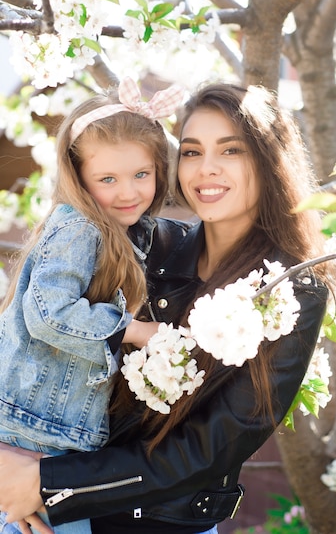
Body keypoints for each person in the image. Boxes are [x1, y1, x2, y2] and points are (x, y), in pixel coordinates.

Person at [0, 82, 330, 534]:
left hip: (158, 522)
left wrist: (48, 484)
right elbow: (30, 338)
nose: (206, 170)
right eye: (192, 152)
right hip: (54, 506)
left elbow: (211, 448)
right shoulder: (142, 241)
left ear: (268, 162)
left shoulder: (292, 292)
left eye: (230, 150)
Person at [0, 77, 184, 534]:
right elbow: (50, 315)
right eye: (108, 179)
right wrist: (135, 330)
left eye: (141, 174)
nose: (128, 192)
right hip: (32, 434)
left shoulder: (125, 234)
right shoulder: (80, 226)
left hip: (53, 438)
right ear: (78, 177)